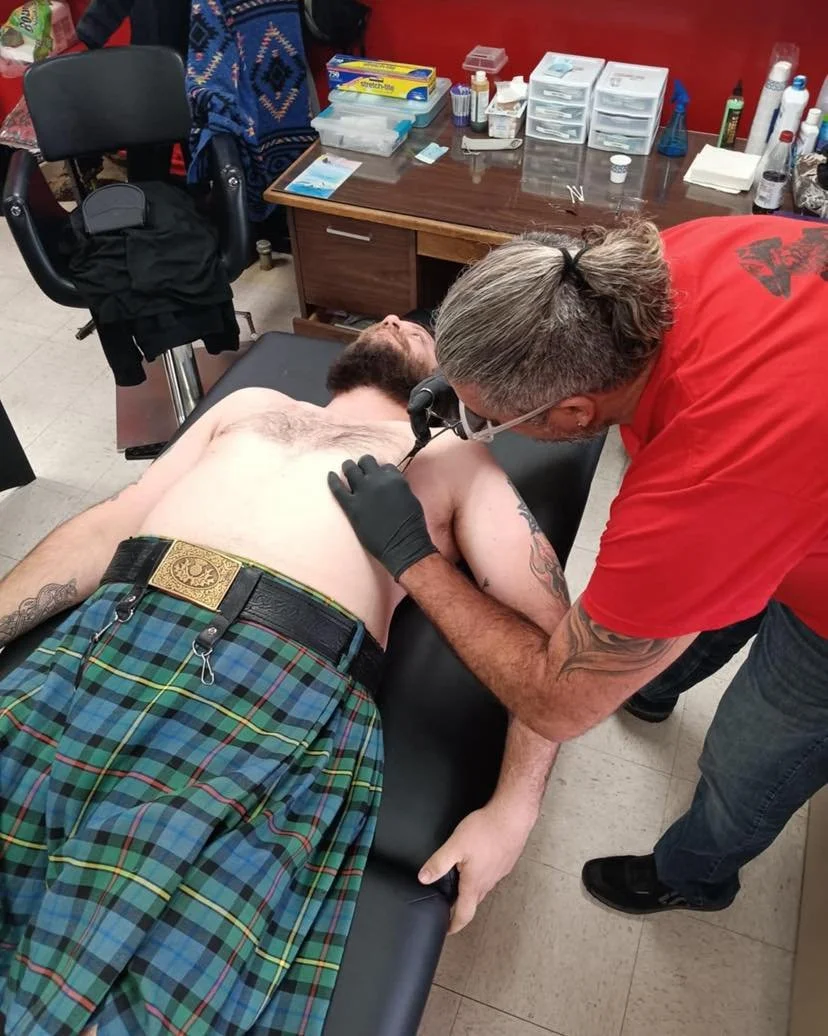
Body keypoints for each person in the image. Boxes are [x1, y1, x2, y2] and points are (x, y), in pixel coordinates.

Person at [0, 316, 565, 1036]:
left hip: (269, 694)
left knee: (116, 981)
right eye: (387, 317)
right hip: (103, 639)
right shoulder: (247, 405)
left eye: (419, 330)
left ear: (444, 381)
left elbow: (551, 638)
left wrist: (514, 813)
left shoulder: (451, 461)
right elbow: (111, 523)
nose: (395, 319)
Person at [329, 216, 828, 919]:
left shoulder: (707, 488)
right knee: (700, 612)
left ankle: (696, 875)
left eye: (488, 422)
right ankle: (650, 688)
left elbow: (558, 703)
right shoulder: (645, 267)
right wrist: (466, 377)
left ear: (571, 412)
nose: (472, 432)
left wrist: (411, 554)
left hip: (813, 580)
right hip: (795, 480)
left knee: (753, 752)